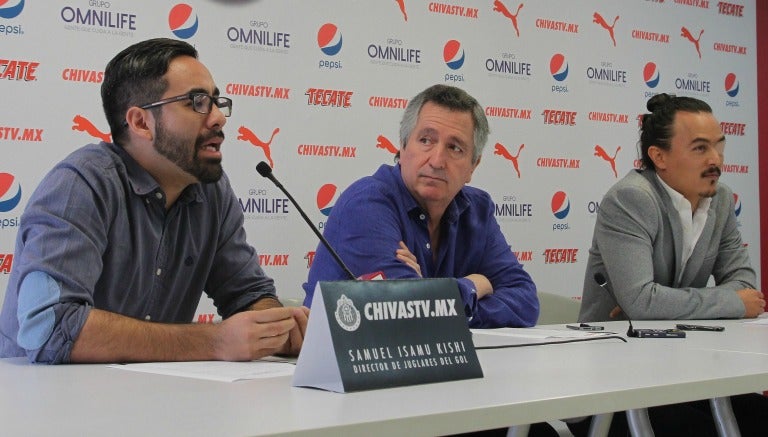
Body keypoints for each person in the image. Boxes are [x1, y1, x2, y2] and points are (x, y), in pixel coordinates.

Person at [0, 38, 308, 364]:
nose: (219, 118)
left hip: (156, 400)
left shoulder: (211, 192)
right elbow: (50, 328)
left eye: (217, 102)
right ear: (140, 122)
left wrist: (276, 329)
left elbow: (248, 295)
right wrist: (215, 342)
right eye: (197, 102)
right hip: (44, 402)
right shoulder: (81, 184)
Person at [571, 93, 766, 436]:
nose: (716, 160)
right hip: (615, 383)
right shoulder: (630, 199)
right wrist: (729, 301)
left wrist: (663, 303)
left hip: (686, 371)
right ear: (658, 156)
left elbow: (746, 286)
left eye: (719, 146)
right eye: (700, 148)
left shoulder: (720, 199)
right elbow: (642, 301)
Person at [304, 84, 538, 328]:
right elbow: (403, 314)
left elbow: (525, 302)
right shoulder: (366, 205)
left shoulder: (477, 210)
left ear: (473, 166)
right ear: (403, 148)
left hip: (440, 361)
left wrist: (436, 298)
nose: (437, 161)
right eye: (426, 140)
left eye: (454, 148)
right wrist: (473, 285)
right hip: (340, 363)